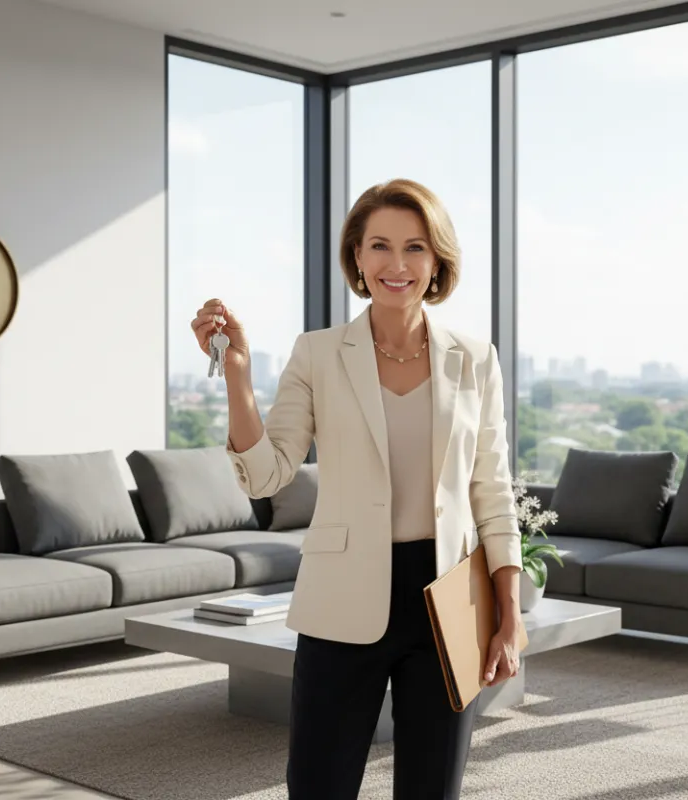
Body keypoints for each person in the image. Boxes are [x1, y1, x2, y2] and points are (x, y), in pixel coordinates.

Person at [191, 178, 524, 800]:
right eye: (379, 246)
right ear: (357, 257)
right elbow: (268, 473)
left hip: (445, 596)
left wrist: (507, 612)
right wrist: (237, 377)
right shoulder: (318, 353)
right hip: (340, 597)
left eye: (415, 247)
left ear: (437, 261)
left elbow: (492, 488)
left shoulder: (475, 357)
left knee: (433, 789)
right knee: (318, 786)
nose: (396, 265)